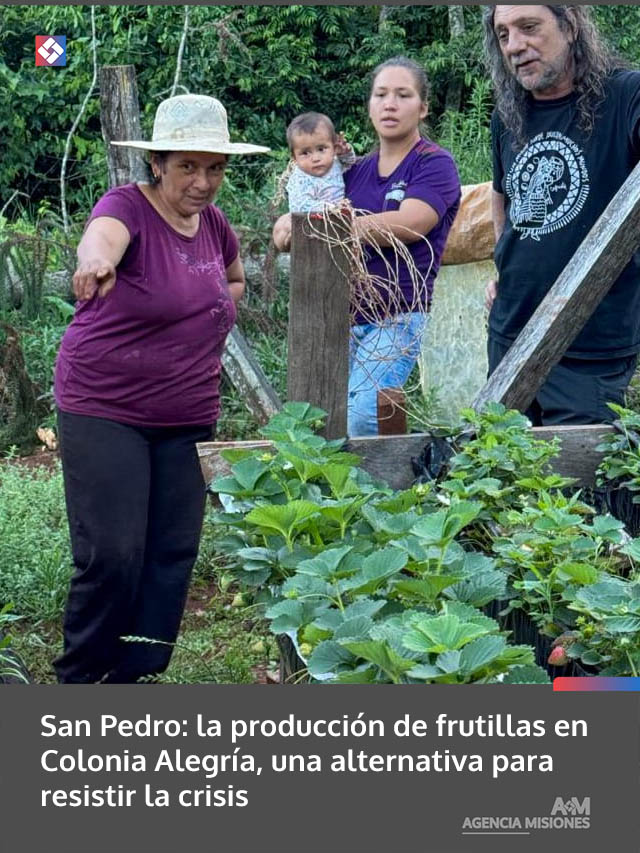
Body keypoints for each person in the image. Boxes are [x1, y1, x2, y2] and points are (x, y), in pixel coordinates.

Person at [53, 94, 269, 683]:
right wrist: (95, 264)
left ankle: (134, 677)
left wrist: (213, 307)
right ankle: (78, 680)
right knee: (113, 555)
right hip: (106, 404)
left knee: (171, 556)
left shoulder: (215, 225)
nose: (202, 182)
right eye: (187, 167)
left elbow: (233, 279)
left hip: (187, 410)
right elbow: (102, 238)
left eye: (215, 168)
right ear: (157, 164)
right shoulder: (127, 206)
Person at [274, 57, 461, 436]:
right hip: (343, 315)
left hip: (398, 315)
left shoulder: (433, 163)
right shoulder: (353, 171)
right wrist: (290, 228)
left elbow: (412, 222)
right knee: (325, 418)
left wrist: (329, 229)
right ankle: (371, 491)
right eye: (381, 94)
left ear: (423, 107)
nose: (389, 103)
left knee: (363, 414)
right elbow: (290, 225)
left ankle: (380, 492)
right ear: (369, 106)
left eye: (403, 95)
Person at [484, 5, 640, 425]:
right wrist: (503, 264)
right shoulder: (507, 115)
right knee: (503, 480)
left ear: (570, 26)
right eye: (503, 35)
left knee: (576, 485)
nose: (515, 46)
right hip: (509, 334)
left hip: (588, 345)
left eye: (529, 27)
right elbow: (501, 195)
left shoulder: (626, 95)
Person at [285, 111, 356, 213]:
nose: (315, 158)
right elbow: (300, 207)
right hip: (310, 223)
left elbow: (349, 162)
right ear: (294, 158)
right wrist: (330, 208)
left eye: (321, 149)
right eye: (305, 153)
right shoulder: (300, 179)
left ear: (334, 148)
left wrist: (344, 153)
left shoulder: (333, 163)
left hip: (337, 217)